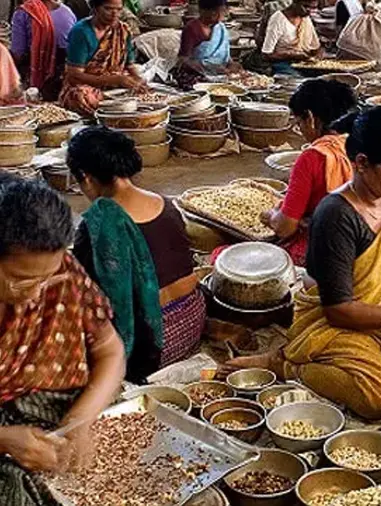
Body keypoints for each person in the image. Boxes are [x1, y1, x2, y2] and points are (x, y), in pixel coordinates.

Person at [223, 107, 381, 420]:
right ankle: (289, 364)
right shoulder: (337, 215)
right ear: (361, 163)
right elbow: (340, 311)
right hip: (341, 324)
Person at [0, 176, 126, 504]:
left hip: (44, 401)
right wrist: (3, 440)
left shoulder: (63, 272)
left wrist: (79, 420)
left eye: (47, 278)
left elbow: (110, 353)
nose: (36, 295)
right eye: (20, 280)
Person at [69, 127, 205, 380]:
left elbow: (84, 293)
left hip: (154, 342)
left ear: (86, 177)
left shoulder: (98, 225)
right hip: (192, 320)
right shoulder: (165, 203)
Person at [261, 79, 359, 266]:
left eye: (299, 123)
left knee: (221, 254)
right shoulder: (362, 143)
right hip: (364, 244)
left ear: (311, 118)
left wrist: (272, 215)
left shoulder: (313, 157)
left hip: (329, 252)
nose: (301, 131)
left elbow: (285, 228)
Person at [59, 0, 147, 116]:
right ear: (95, 9)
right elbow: (74, 76)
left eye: (119, 9)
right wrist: (115, 80)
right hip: (86, 84)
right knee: (83, 97)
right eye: (108, 9)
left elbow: (130, 66)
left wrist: (138, 81)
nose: (114, 14)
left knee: (141, 94)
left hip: (115, 83)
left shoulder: (123, 30)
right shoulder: (81, 32)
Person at [10, 0, 76, 100]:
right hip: (65, 80)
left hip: (36, 81)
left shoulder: (23, 13)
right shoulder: (68, 12)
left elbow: (18, 54)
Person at [172, 0, 240, 90]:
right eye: (215, 12)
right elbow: (183, 60)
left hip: (220, 74)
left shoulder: (221, 28)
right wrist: (208, 68)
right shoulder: (192, 28)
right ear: (202, 11)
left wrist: (231, 64)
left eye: (222, 12)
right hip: (196, 74)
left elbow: (225, 55)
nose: (220, 16)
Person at [260, 0, 320, 75]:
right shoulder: (278, 19)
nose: (309, 11)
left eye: (313, 8)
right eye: (306, 6)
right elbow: (266, 54)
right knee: (298, 79)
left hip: (303, 63)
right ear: (295, 2)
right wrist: (290, 55)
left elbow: (315, 46)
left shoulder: (305, 18)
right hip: (283, 63)